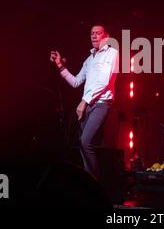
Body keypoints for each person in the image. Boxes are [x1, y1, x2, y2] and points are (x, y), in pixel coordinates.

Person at [50, 25, 118, 180]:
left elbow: (104, 82)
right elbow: (76, 82)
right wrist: (60, 65)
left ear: (106, 36)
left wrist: (84, 101)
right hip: (88, 105)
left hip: (101, 104)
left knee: (86, 142)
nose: (94, 36)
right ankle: (88, 180)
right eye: (92, 33)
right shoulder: (89, 59)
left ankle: (94, 182)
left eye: (98, 33)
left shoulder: (112, 53)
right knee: (82, 143)